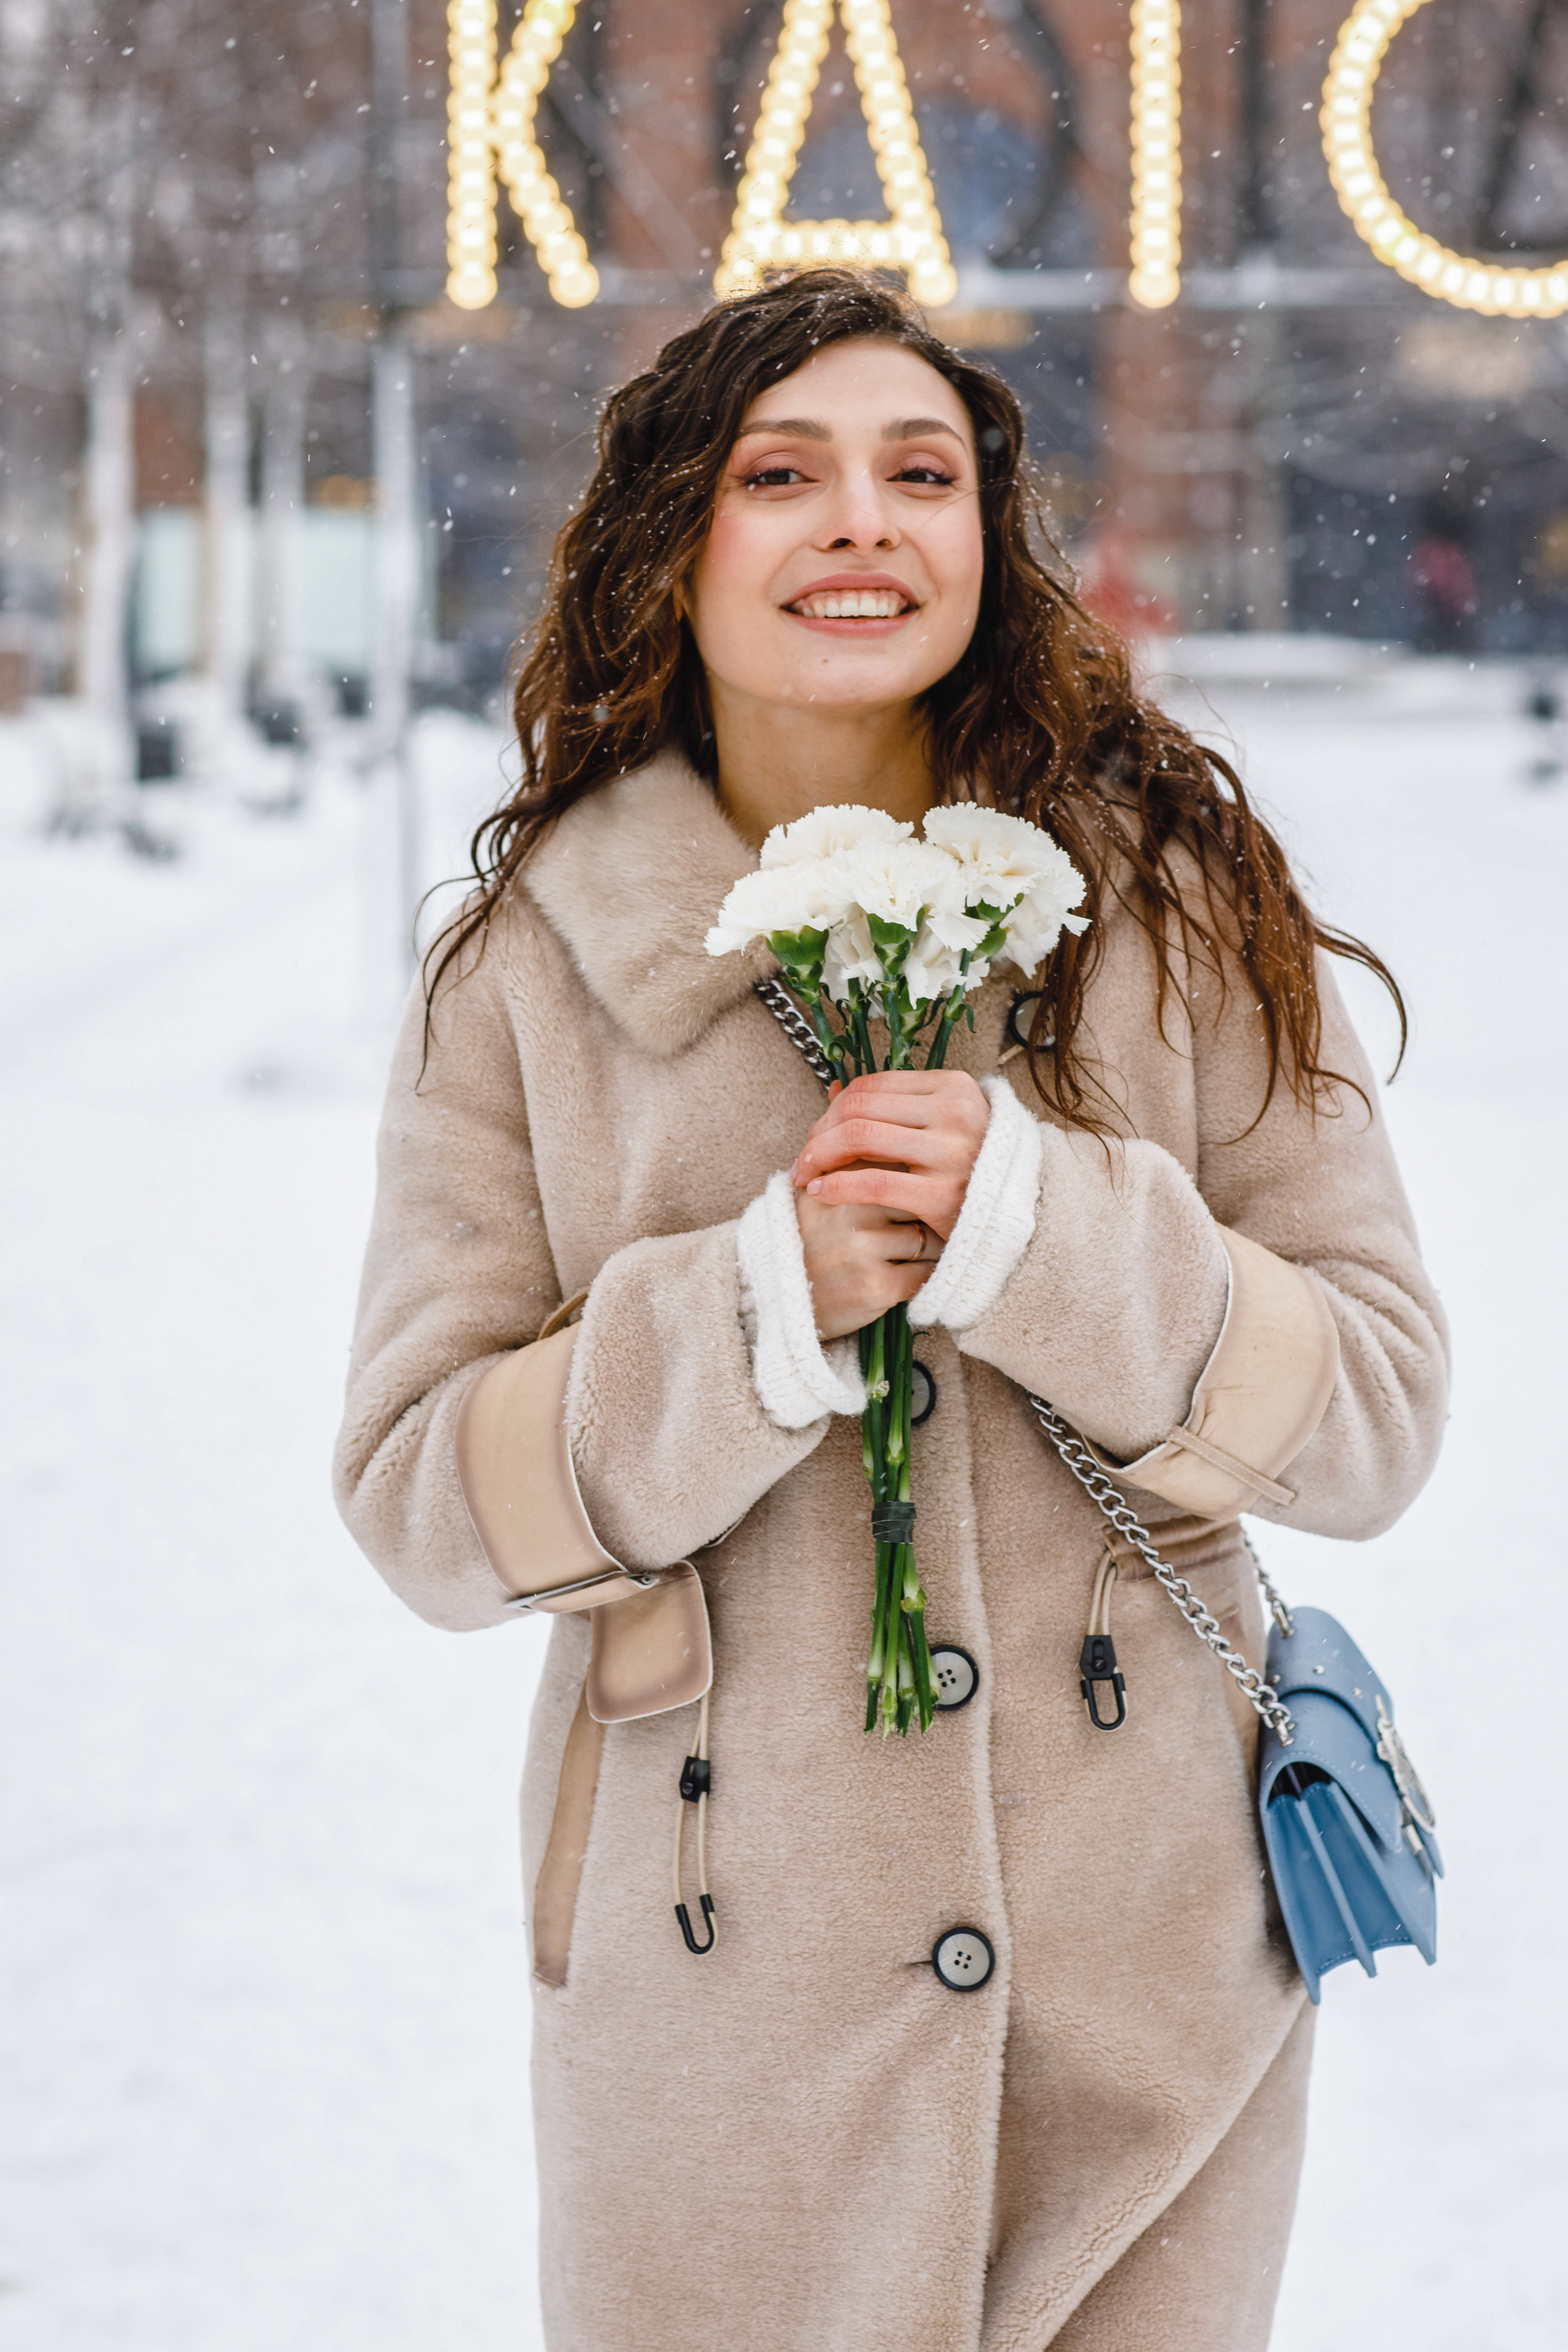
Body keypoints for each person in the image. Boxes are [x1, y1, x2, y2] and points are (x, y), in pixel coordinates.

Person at [334, 271, 1447, 2352]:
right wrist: (753, 1313)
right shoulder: (530, 970)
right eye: (784, 476)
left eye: (920, 474)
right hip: (717, 1998)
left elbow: (1378, 1409)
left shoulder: (1177, 907)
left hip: (1160, 1990)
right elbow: (415, 1493)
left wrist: (1042, 1232)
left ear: (984, 540)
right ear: (675, 545)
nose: (864, 522)